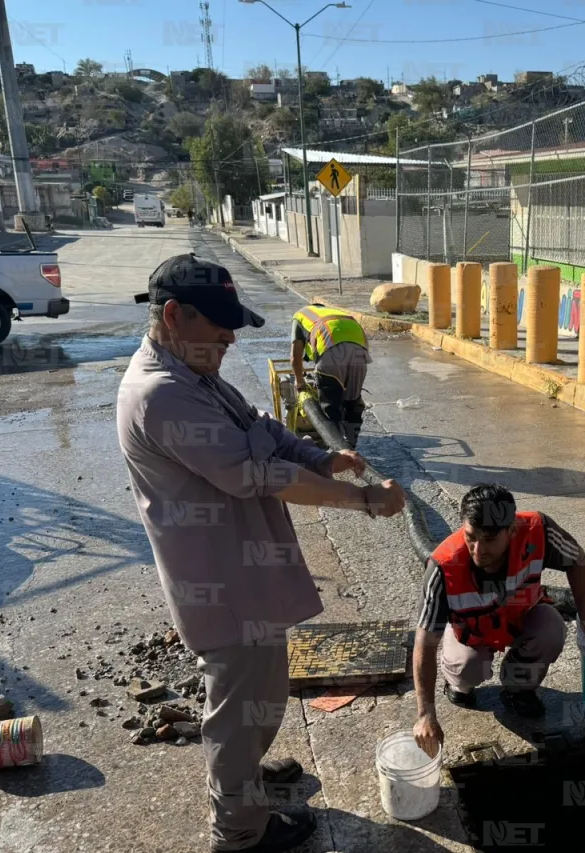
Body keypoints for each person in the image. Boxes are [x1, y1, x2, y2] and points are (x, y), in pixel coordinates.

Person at [116, 253, 406, 853]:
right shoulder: (161, 394)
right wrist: (363, 501)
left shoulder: (194, 371)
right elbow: (258, 474)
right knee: (238, 705)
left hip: (245, 574)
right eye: (219, 325)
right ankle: (241, 831)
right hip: (220, 584)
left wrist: (319, 457)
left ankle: (245, 776)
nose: (230, 337)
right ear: (173, 315)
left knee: (261, 693)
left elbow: (260, 426)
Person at [411, 484, 585, 758]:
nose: (478, 550)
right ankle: (457, 684)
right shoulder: (442, 566)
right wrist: (425, 713)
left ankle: (519, 689)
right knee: (468, 668)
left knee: (551, 629)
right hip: (471, 631)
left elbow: (577, 559)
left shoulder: (539, 530)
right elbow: (424, 642)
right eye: (471, 537)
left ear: (512, 531)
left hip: (521, 617)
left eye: (489, 539)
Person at [290, 303, 371, 447]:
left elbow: (295, 357)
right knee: (353, 401)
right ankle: (351, 444)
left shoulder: (300, 316)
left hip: (331, 351)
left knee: (331, 405)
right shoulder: (332, 312)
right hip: (360, 351)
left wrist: (299, 380)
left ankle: (338, 449)